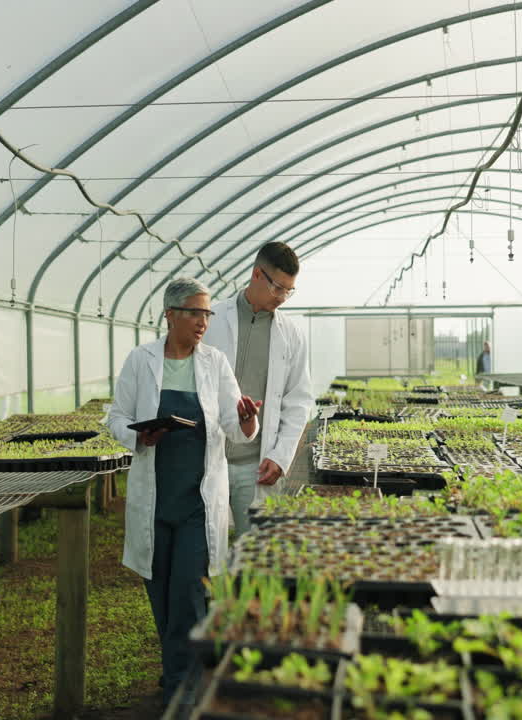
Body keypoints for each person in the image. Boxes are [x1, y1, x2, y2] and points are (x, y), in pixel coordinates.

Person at [105, 277, 261, 705]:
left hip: (199, 502)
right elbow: (116, 416)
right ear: (170, 314)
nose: (203, 322)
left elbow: (234, 426)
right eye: (195, 312)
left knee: (191, 595)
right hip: (155, 501)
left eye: (207, 313)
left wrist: (247, 419)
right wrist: (140, 436)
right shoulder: (141, 360)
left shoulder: (215, 363)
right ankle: (177, 668)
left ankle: (183, 690)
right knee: (160, 593)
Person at [202, 241, 314, 536]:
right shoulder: (209, 319)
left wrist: (281, 456)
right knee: (202, 549)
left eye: (289, 290)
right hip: (207, 457)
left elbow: (299, 400)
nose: (283, 298)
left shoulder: (291, 335)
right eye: (278, 288)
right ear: (256, 275)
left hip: (255, 464)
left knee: (253, 552)